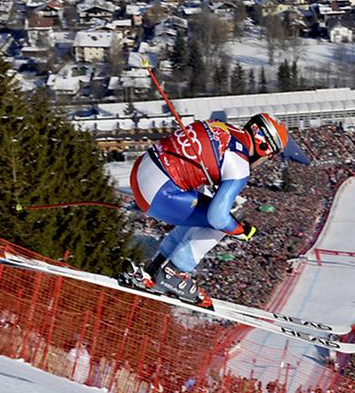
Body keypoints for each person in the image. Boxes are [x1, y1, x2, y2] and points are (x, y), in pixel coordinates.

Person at [122, 113, 308, 307]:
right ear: (264, 146)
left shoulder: (223, 127)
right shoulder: (239, 164)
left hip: (142, 170)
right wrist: (240, 231)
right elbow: (218, 217)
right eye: (270, 156)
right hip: (158, 192)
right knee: (219, 225)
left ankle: (158, 266)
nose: (266, 161)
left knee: (201, 210)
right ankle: (173, 274)